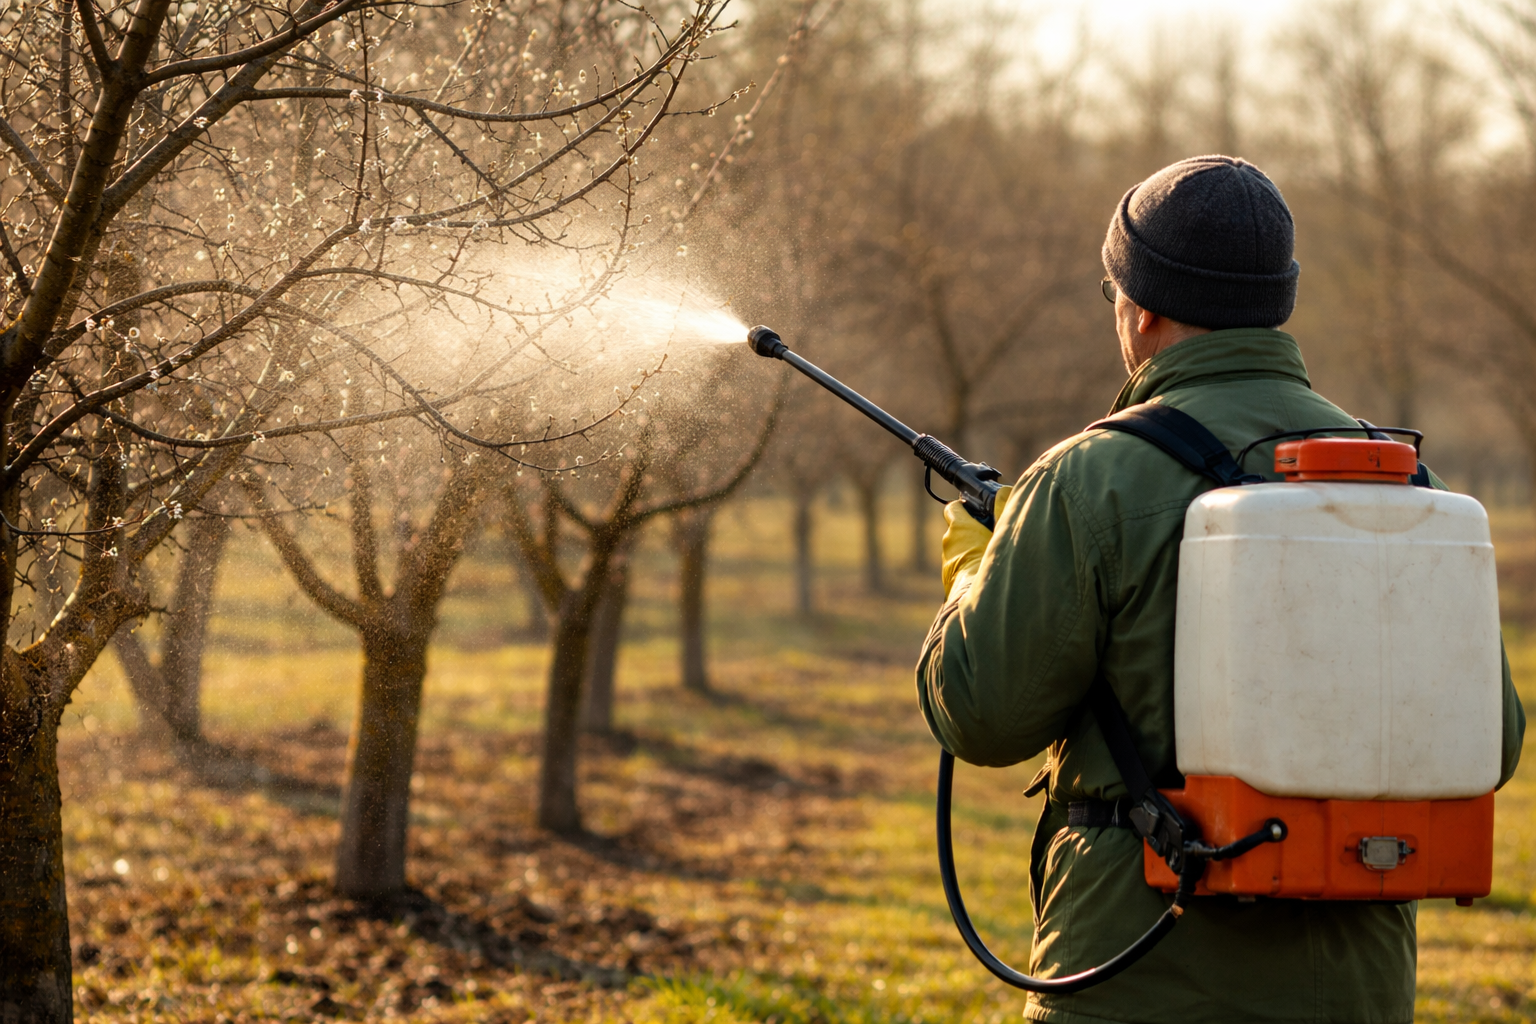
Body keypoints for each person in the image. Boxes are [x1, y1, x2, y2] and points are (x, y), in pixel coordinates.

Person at [916, 154, 1526, 1024]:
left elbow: (981, 715)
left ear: (1143, 305)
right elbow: (1491, 745)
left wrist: (976, 564)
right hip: (1358, 992)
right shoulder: (1400, 482)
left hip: (1134, 980)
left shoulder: (1089, 481)